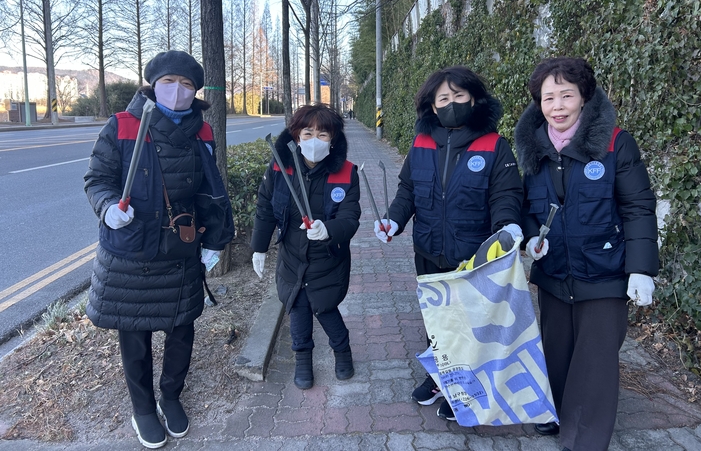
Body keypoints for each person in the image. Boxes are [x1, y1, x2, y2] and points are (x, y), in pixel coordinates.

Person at [84, 50, 235, 449]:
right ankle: (144, 408)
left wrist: (214, 241)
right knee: (134, 334)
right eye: (169, 82)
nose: (177, 91)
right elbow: (97, 179)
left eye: (187, 85)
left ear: (195, 91)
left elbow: (210, 188)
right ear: (153, 85)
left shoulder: (202, 131)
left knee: (181, 327)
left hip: (180, 247)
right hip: (131, 250)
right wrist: (107, 207)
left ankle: (171, 395)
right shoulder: (123, 125)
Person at [514, 57, 659, 451]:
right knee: (557, 349)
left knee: (595, 359)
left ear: (584, 97)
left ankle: (584, 438)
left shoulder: (615, 143)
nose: (557, 106)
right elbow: (527, 207)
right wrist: (531, 238)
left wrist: (641, 269)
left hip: (605, 269)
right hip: (554, 272)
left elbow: (638, 207)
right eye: (548, 98)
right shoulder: (533, 147)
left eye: (567, 95)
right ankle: (557, 410)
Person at [374, 66, 524, 421]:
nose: (451, 103)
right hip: (428, 250)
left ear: (474, 99)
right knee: (438, 320)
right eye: (443, 98)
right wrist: (394, 219)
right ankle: (439, 377)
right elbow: (408, 189)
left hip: (473, 257)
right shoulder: (422, 143)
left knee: (470, 324)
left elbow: (505, 196)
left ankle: (468, 390)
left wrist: (506, 228)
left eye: (459, 96)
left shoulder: (493, 145)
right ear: (432, 105)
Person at [251, 104, 361, 390]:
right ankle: (302, 360)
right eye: (308, 133)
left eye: (323, 134)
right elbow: (265, 207)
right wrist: (259, 247)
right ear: (296, 136)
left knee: (325, 308)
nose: (314, 140)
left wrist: (328, 230)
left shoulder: (346, 173)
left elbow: (350, 218)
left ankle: (342, 352)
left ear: (333, 139)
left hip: (328, 258)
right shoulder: (280, 167)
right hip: (291, 256)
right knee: (297, 307)